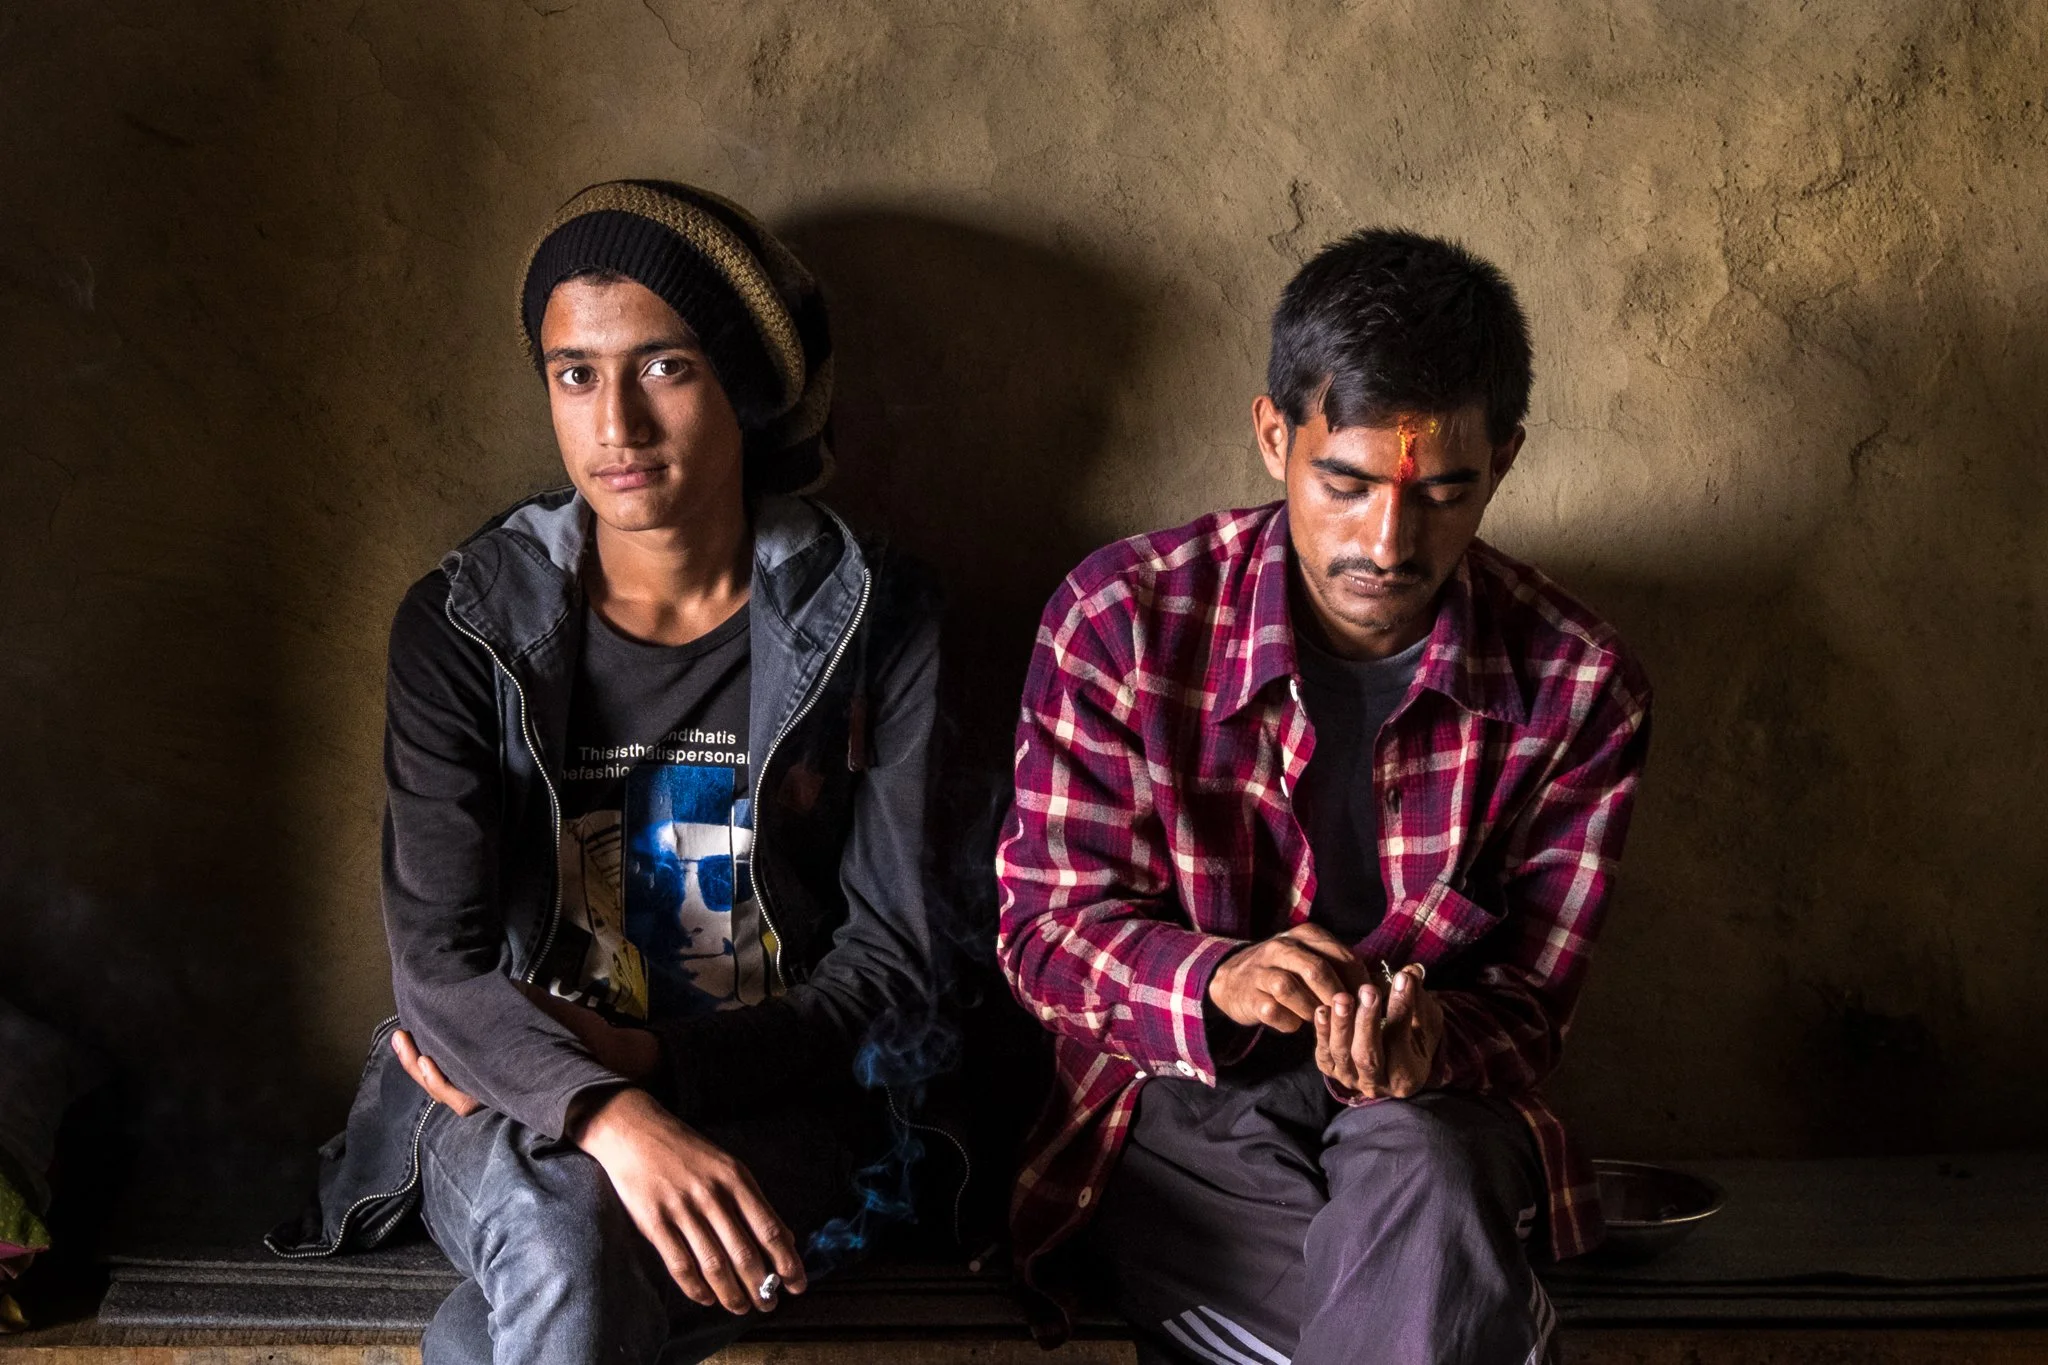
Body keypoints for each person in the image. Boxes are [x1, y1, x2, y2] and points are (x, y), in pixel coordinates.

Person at [267, 180, 944, 1365]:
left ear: (743, 381)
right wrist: (611, 1110)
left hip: (772, 1105)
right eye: (574, 374)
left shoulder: (874, 619)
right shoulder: (461, 623)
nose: (615, 426)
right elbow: (439, 966)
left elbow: (888, 964)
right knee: (564, 1213)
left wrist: (665, 1065)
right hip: (504, 1095)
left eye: (665, 368)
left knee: (544, 1278)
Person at [996, 229, 1653, 1364]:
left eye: (1443, 493)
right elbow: (1042, 936)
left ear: (1502, 461)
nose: (1386, 543)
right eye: (1342, 484)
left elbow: (1531, 1008)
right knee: (1431, 1299)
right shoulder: (1119, 621)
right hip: (1177, 1110)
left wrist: (1428, 1042)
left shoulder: (1578, 685)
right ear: (1271, 437)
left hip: (1424, 1120)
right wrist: (1218, 978)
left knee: (1429, 1175)